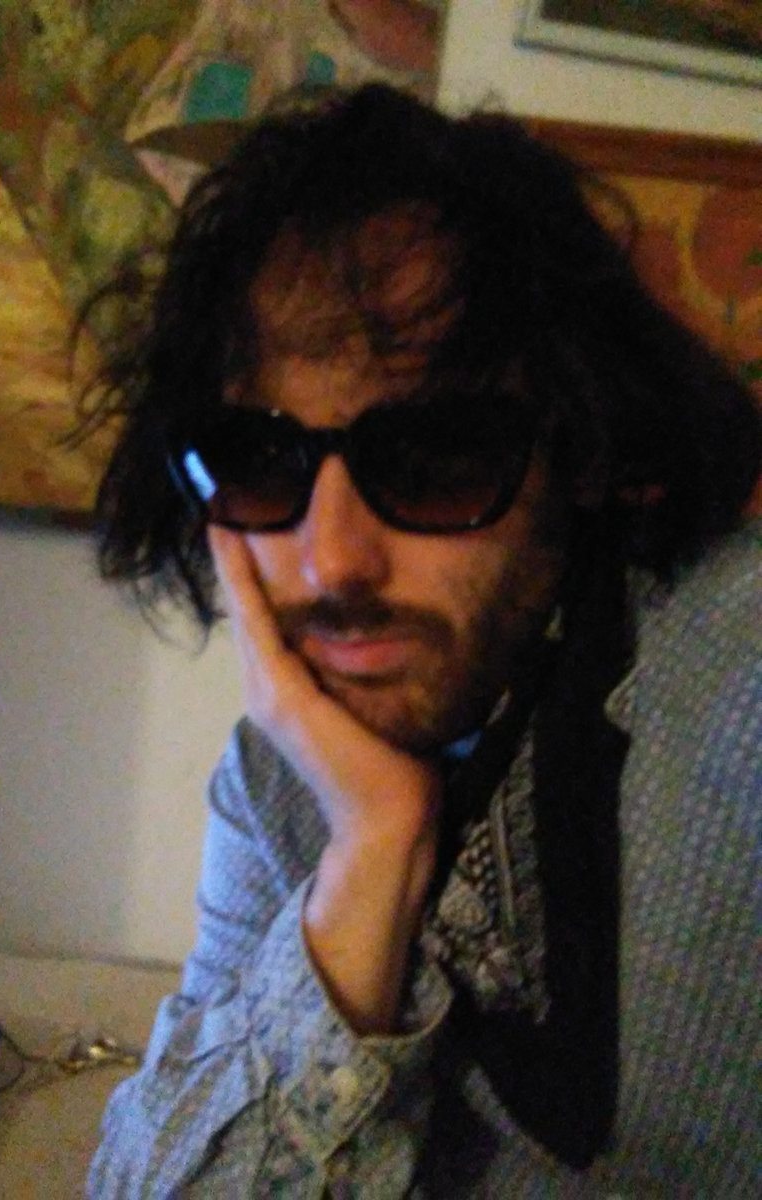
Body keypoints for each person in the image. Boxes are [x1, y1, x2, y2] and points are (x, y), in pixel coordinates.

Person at [84, 84, 761, 1196]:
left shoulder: (738, 682)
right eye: (259, 459)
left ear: (581, 450)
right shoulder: (282, 777)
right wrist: (371, 852)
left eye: (435, 457)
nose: (332, 562)